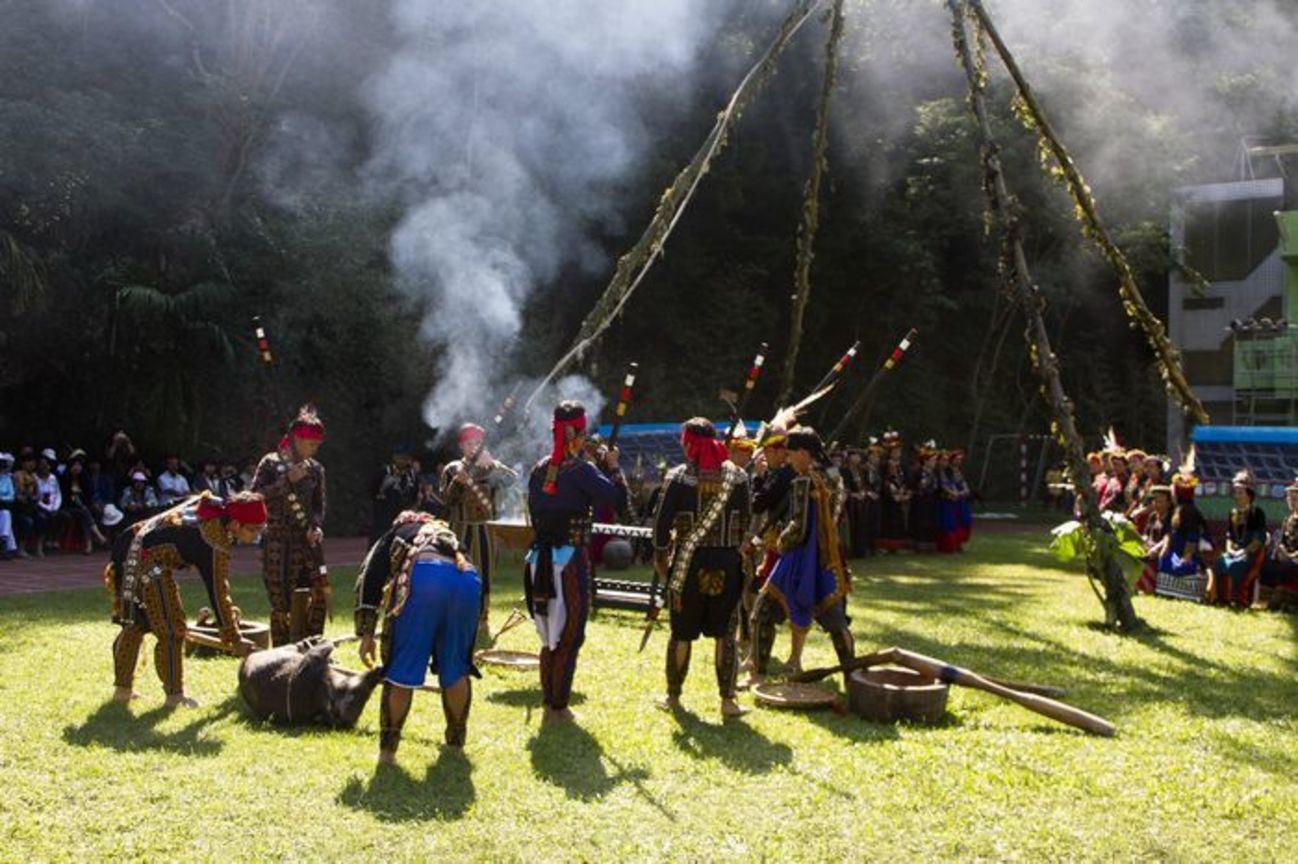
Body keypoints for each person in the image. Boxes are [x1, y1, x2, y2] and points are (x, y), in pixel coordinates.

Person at [106, 491, 265, 707]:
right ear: (236, 524)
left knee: (136, 624)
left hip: (129, 546)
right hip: (145, 560)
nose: (257, 535)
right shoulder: (214, 540)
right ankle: (174, 696)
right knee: (172, 629)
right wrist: (234, 637)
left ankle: (122, 692)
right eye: (253, 529)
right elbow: (218, 592)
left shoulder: (215, 515)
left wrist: (231, 634)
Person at [524, 400, 626, 724]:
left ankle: (550, 702)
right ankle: (558, 706)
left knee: (549, 633)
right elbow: (618, 499)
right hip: (569, 560)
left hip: (539, 559)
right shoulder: (582, 471)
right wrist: (612, 467)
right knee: (570, 632)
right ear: (575, 435)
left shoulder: (539, 470)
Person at [355, 511, 481, 760]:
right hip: (467, 580)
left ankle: (387, 753)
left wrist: (366, 634)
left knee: (401, 670)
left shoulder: (395, 533)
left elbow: (369, 577)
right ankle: (456, 746)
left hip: (424, 579)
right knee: (456, 668)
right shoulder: (449, 535)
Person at [651, 418, 751, 718]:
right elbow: (746, 521)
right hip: (727, 564)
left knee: (681, 632)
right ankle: (728, 701)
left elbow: (661, 524)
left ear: (689, 444)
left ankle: (673, 697)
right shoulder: (739, 478)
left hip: (687, 565)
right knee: (725, 634)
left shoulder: (678, 477)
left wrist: (661, 557)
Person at [750, 426, 855, 682]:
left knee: (763, 610)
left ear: (804, 453)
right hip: (830, 557)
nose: (788, 459)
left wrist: (779, 542)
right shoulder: (833, 477)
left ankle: (757, 675)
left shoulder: (803, 481)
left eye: (791, 453)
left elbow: (798, 526)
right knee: (836, 621)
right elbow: (837, 507)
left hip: (800, 558)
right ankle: (852, 677)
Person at [252, 406, 328, 646]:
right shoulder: (270, 464)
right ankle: (282, 654)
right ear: (296, 439)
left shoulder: (316, 469)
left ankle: (312, 650)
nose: (314, 449)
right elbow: (255, 498)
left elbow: (319, 506)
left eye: (317, 445)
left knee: (318, 596)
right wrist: (286, 481)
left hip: (307, 545)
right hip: (278, 544)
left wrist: (316, 526)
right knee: (282, 604)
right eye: (311, 444)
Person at [440, 424, 518, 633]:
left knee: (484, 572)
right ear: (461, 446)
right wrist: (458, 482)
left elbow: (512, 479)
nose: (473, 447)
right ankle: (455, 616)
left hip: (486, 529)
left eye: (477, 443)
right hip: (459, 529)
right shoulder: (453, 468)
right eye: (469, 443)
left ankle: (482, 617)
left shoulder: (491, 466)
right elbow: (445, 501)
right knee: (457, 571)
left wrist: (493, 466)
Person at [742, 424, 793, 679]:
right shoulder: (781, 474)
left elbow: (758, 503)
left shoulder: (782, 476)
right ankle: (754, 658)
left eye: (770, 452)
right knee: (760, 603)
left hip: (782, 548)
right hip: (776, 546)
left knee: (764, 605)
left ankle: (759, 663)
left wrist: (759, 477)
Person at [1212, 470, 1267, 607]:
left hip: (1250, 553)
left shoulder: (1257, 513)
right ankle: (1221, 599)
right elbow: (1230, 536)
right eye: (1235, 493)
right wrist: (1230, 549)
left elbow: (1259, 538)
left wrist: (1244, 551)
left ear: (1249, 495)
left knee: (1235, 565)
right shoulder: (1233, 513)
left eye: (1241, 493)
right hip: (1235, 551)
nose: (1237, 496)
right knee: (1220, 562)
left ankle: (1239, 600)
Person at [1260, 478, 1298, 609]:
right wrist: (1280, 550)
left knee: (1287, 568)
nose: (1291, 500)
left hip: (1295, 559)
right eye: (1290, 497)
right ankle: (1267, 600)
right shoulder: (1288, 519)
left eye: (1295, 497)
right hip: (1286, 557)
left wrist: (1290, 556)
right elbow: (1282, 541)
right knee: (1266, 566)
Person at [61, 451, 108, 553]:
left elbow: (89, 494)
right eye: (75, 465)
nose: (77, 467)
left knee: (87, 513)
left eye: (79, 465)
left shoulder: (84, 477)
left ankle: (89, 544)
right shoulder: (65, 478)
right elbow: (65, 496)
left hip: (83, 506)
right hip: (69, 506)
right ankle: (97, 535)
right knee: (84, 512)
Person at [371, 450, 420, 544]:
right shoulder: (384, 472)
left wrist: (411, 505)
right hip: (384, 510)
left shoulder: (412, 475)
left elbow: (415, 491)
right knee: (380, 535)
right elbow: (373, 489)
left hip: (402, 509)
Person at [1134, 485, 1172, 594]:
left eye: (1160, 501)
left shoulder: (1171, 518)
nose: (1157, 504)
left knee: (1146, 563)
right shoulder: (1153, 516)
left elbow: (1168, 538)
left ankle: (1149, 588)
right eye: (1155, 501)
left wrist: (1154, 549)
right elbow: (1146, 534)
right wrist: (1143, 542)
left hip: (1162, 551)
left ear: (1168, 503)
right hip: (1149, 548)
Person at [878, 430, 912, 552]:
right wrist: (891, 491)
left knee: (900, 521)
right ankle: (886, 546)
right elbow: (881, 480)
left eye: (899, 451)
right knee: (888, 521)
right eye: (895, 451)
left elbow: (908, 479)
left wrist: (905, 490)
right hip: (888, 498)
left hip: (901, 496)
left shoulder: (903, 465)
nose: (897, 453)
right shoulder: (884, 465)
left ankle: (898, 545)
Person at [910, 442, 940, 552]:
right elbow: (915, 486)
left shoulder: (934, 472)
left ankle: (929, 545)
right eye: (932, 460)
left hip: (931, 500)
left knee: (930, 523)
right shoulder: (918, 472)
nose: (934, 463)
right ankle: (919, 545)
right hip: (921, 501)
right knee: (921, 522)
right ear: (926, 461)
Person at [32, 454, 62, 558]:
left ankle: (54, 540)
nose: (45, 467)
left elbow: (58, 494)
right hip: (39, 507)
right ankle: (39, 546)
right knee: (42, 518)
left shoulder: (53, 478)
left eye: (47, 465)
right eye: (42, 464)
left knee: (65, 516)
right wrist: (47, 508)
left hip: (53, 507)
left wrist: (55, 507)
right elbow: (36, 497)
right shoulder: (34, 478)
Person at [0, 453, 18, 559]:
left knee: (5, 514)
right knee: (5, 517)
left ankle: (3, 541)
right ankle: (9, 547)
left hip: (2, 505)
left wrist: (1, 498)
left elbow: (11, 496)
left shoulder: (7, 478)